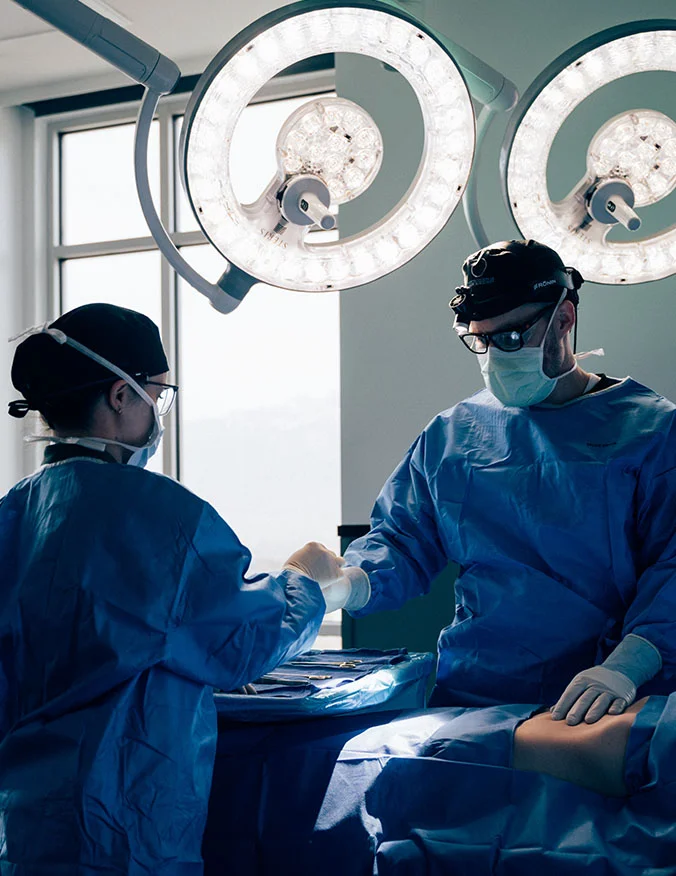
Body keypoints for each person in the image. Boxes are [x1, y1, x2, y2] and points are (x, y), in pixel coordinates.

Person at [0, 302, 351, 874]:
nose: (157, 412)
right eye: (155, 395)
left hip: (23, 825)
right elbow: (242, 639)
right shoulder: (157, 520)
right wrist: (307, 581)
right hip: (121, 822)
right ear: (121, 396)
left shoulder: (15, 515)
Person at [337, 239, 676, 726]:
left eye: (513, 338)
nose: (497, 354)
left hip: (605, 703)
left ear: (564, 319)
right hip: (475, 698)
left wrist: (627, 667)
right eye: (482, 340)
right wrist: (344, 585)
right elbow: (403, 541)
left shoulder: (651, 432)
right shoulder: (454, 435)